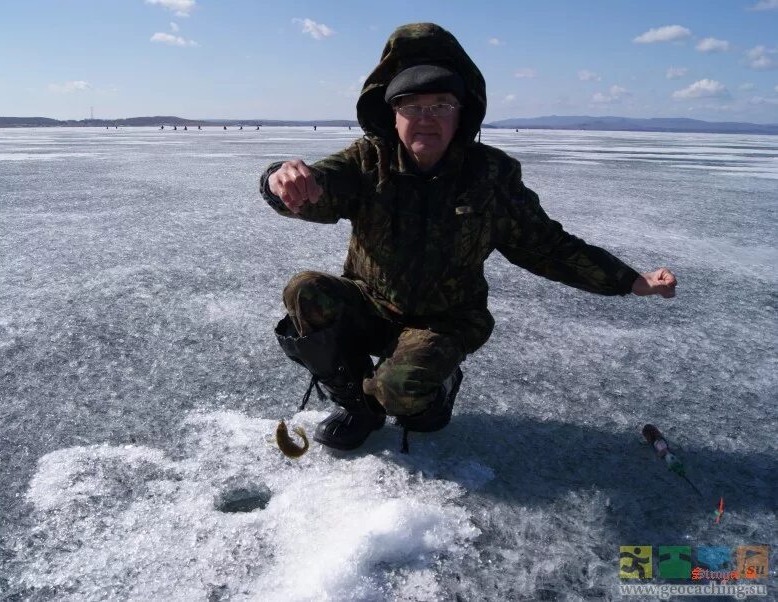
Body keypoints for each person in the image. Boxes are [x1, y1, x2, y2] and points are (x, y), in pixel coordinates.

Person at [258, 23, 676, 453]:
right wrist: (279, 180)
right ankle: (358, 409)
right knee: (304, 291)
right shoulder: (368, 161)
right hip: (373, 304)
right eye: (411, 105)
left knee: (404, 395)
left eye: (441, 104)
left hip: (445, 318)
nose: (426, 118)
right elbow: (317, 187)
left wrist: (630, 280)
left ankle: (431, 389)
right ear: (392, 114)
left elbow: (547, 246)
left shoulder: (490, 176)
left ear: (462, 113)